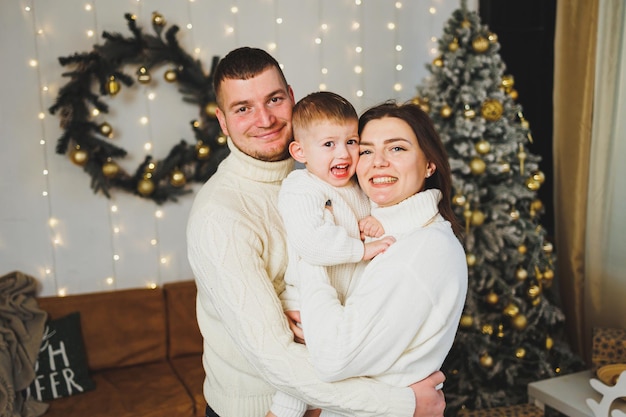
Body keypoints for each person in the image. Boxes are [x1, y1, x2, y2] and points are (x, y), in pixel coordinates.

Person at [186, 46, 446, 417]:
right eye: (243, 108)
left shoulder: (321, 176)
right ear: (223, 120)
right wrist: (401, 403)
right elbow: (272, 354)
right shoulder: (220, 215)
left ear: (292, 99)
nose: (265, 119)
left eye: (274, 100)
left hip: (331, 403)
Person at [275, 101, 468, 417]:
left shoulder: (422, 250)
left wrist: (308, 259)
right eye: (365, 151)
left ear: (429, 164)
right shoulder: (378, 233)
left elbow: (333, 356)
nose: (378, 162)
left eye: (397, 149)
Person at [277, 91, 394, 316]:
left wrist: (372, 221)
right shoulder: (301, 187)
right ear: (300, 152)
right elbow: (311, 242)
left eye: (351, 142)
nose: (344, 153)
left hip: (346, 301)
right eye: (329, 144)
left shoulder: (358, 184)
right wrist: (363, 249)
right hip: (305, 301)